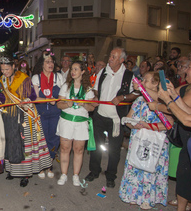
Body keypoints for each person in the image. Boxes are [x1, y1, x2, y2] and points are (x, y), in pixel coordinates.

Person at [85, 47, 138, 188]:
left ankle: (111, 175)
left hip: (116, 119)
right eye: (110, 56)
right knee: (96, 146)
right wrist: (96, 97)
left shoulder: (128, 75)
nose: (110, 59)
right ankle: (94, 171)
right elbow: (96, 88)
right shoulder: (103, 72)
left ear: (121, 60)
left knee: (114, 150)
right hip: (100, 116)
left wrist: (123, 97)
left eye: (114, 57)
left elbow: (136, 93)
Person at [119, 71, 170, 210]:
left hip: (155, 140)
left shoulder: (163, 102)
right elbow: (130, 118)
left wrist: (148, 126)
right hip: (139, 138)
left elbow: (169, 123)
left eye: (146, 80)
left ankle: (148, 198)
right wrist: (131, 123)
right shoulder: (139, 100)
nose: (142, 82)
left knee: (150, 167)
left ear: (156, 83)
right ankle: (134, 195)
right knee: (136, 166)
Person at [148, 61, 191, 211]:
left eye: (190, 67)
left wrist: (166, 101)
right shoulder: (187, 87)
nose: (186, 71)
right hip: (190, 143)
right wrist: (173, 94)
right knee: (185, 176)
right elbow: (187, 111)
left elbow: (187, 119)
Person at [0, 55, 52, 187]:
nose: (5, 72)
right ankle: (12, 170)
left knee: (24, 144)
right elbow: (1, 96)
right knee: (11, 143)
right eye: (2, 70)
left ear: (13, 67)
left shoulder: (24, 78)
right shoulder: (2, 80)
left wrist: (26, 101)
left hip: (24, 115)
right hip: (9, 116)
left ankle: (25, 174)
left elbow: (33, 95)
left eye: (7, 69)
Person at [56, 61, 95, 186]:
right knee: (64, 148)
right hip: (66, 121)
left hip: (81, 122)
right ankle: (63, 174)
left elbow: (92, 108)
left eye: (76, 69)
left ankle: (76, 175)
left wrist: (84, 103)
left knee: (78, 149)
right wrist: (67, 103)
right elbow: (58, 104)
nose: (73, 71)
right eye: (72, 69)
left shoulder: (88, 89)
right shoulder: (66, 86)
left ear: (83, 72)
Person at [32, 51, 64, 179]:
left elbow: (62, 96)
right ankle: (41, 166)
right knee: (42, 139)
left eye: (52, 61)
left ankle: (49, 164)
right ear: (42, 64)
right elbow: (34, 98)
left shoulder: (59, 77)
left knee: (54, 139)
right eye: (47, 62)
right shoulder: (36, 78)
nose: (50, 64)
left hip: (56, 113)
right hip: (41, 113)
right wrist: (47, 100)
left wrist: (55, 100)